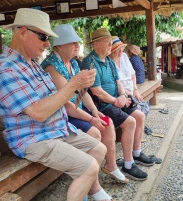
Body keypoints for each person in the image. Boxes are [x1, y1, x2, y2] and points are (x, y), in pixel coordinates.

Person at [0, 9, 112, 201]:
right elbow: (38, 113)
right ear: (22, 32)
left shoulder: (31, 63)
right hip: (34, 138)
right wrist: (73, 84)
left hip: (56, 129)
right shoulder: (5, 68)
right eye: (43, 36)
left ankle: (92, 191)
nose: (47, 43)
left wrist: (79, 88)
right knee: (90, 166)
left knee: (99, 149)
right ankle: (86, 190)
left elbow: (55, 100)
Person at [41, 24, 128, 183]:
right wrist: (90, 119)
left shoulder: (74, 63)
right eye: (72, 42)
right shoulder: (52, 66)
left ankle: (111, 165)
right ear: (59, 46)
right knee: (95, 131)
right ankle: (90, 181)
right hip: (62, 114)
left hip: (76, 109)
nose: (77, 45)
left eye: (77, 42)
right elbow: (67, 105)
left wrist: (94, 111)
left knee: (106, 123)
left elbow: (83, 92)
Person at [81, 28, 155, 181]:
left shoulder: (108, 61)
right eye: (107, 42)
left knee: (140, 116)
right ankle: (128, 164)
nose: (110, 45)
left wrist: (122, 96)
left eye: (110, 42)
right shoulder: (90, 62)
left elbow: (118, 83)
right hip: (101, 106)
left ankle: (136, 153)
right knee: (130, 122)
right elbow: (97, 92)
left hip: (116, 101)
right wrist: (116, 101)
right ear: (96, 44)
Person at [109, 36, 150, 121]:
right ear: (111, 50)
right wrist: (129, 93)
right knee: (139, 111)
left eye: (121, 48)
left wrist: (135, 90)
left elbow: (133, 74)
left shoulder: (124, 56)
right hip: (121, 93)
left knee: (144, 104)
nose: (121, 51)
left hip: (132, 89)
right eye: (117, 49)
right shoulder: (108, 62)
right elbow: (114, 84)